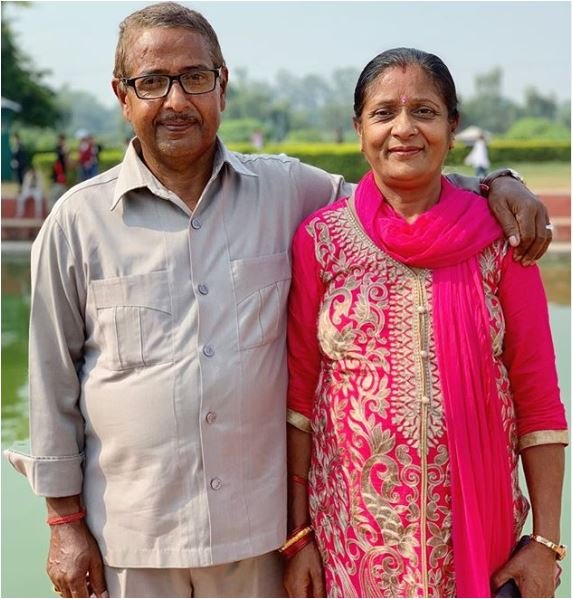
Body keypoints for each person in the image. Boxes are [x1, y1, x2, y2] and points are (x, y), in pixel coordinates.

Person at [4, 4, 553, 598]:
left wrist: (501, 182)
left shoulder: (289, 192)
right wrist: (63, 525)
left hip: (257, 542)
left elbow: (404, 189)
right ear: (122, 93)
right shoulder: (77, 223)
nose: (176, 100)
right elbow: (52, 386)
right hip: (133, 539)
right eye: (151, 82)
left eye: (194, 77)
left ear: (223, 84)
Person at [284, 48, 567, 598]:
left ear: (452, 127)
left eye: (426, 112)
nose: (404, 129)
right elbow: (299, 400)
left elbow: (538, 401)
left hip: (478, 544)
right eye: (384, 113)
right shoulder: (320, 240)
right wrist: (299, 539)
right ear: (358, 129)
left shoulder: (502, 239)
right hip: (349, 542)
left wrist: (546, 543)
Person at [50, 133, 69, 210]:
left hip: (61, 176)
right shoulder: (59, 149)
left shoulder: (61, 149)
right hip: (58, 178)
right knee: (57, 195)